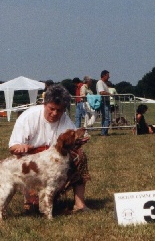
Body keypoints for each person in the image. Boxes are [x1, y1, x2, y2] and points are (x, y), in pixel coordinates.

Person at [9, 83, 90, 213]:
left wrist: (79, 141)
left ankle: (79, 204)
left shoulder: (65, 119)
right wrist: (19, 147)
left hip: (53, 163)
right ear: (44, 104)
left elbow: (71, 141)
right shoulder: (28, 117)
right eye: (51, 108)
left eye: (60, 110)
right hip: (32, 166)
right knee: (35, 208)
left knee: (79, 155)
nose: (54, 113)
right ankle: (31, 196)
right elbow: (13, 148)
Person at [96, 70, 112, 136]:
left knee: (106, 118)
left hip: (106, 102)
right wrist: (109, 94)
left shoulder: (104, 83)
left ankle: (104, 132)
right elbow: (101, 92)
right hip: (103, 102)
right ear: (104, 75)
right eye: (108, 75)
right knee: (107, 118)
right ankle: (103, 132)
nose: (109, 77)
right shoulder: (100, 82)